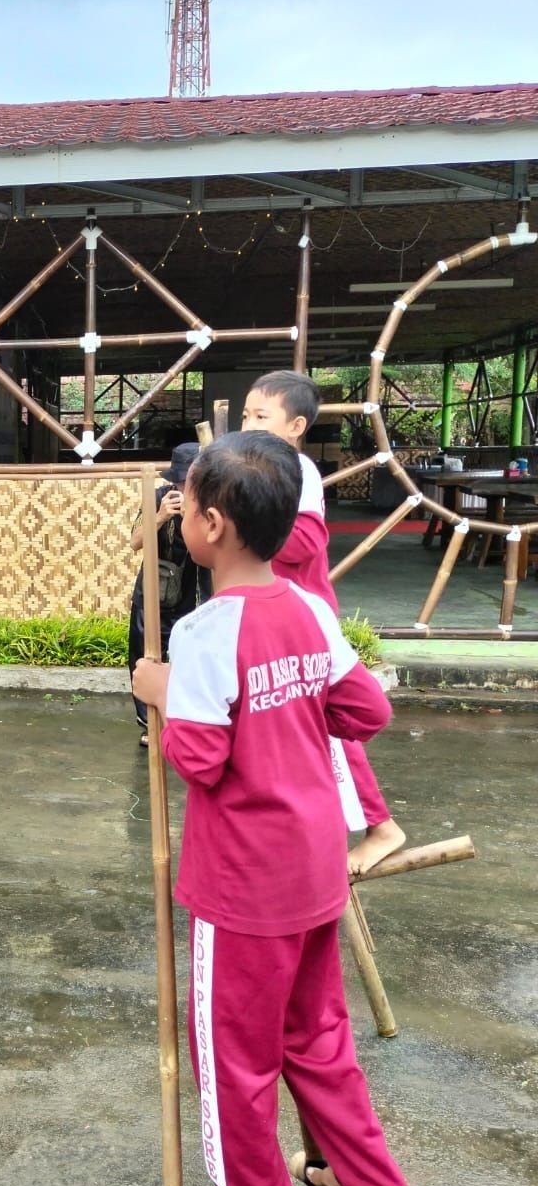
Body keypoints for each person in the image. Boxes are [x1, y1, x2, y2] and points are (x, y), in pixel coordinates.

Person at [131, 432, 412, 1186]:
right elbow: (365, 712)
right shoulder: (311, 609)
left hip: (244, 887)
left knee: (235, 1060)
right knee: (319, 1035)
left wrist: (166, 692)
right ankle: (368, 1173)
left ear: (211, 525)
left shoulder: (204, 634)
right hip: (317, 867)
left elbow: (202, 760)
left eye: (186, 506)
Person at [242, 370, 407, 876]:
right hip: (275, 618)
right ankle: (313, 823)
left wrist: (248, 522)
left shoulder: (297, 472)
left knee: (330, 729)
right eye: (245, 415)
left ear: (295, 426)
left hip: (305, 619)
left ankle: (381, 827)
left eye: (260, 417)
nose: (248, 424)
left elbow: (304, 544)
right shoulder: (255, 467)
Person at [128, 441, 211, 743]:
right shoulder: (158, 498)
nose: (184, 487)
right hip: (153, 588)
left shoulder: (213, 502)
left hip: (194, 589)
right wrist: (161, 515)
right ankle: (151, 724)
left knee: (190, 657)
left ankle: (184, 722)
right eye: (180, 481)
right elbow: (135, 542)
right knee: (144, 655)